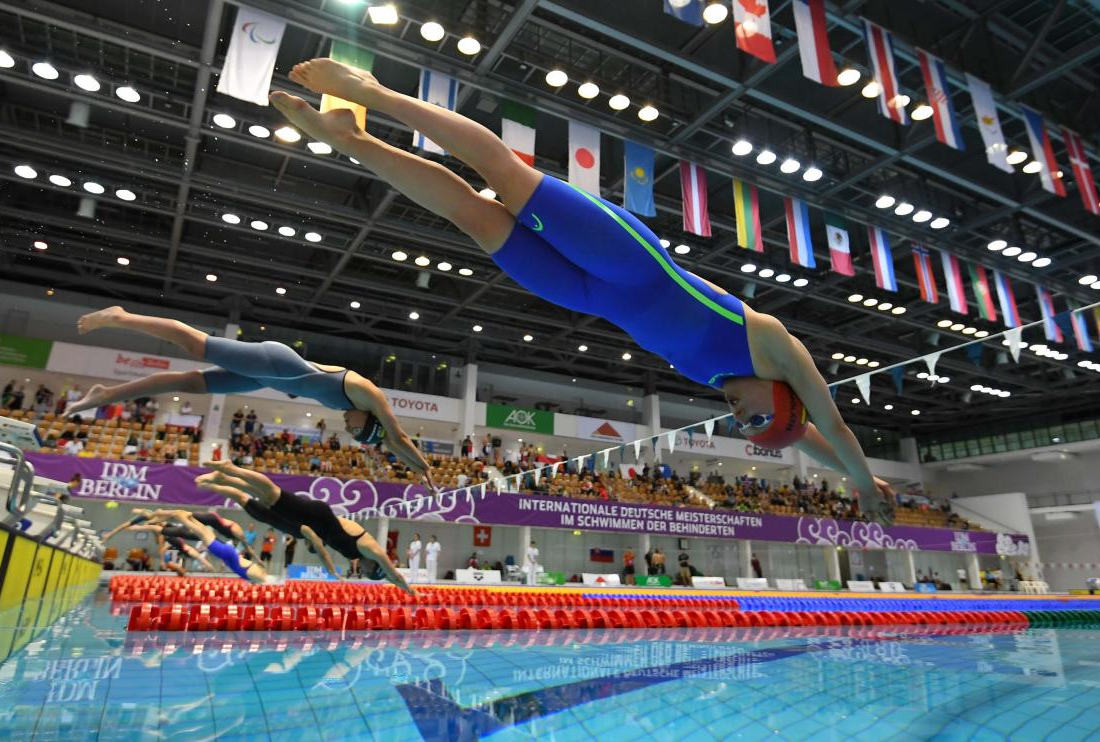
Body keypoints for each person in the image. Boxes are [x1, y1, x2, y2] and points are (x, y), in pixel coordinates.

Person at [269, 58, 897, 523]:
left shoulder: (726, 385)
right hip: (632, 263)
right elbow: (832, 426)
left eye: (747, 426)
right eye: (757, 416)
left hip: (588, 297)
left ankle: (352, 140)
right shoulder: (772, 345)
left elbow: (803, 439)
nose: (743, 417)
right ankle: (373, 93)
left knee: (471, 215)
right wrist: (865, 484)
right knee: (506, 176)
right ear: (786, 399)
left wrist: (827, 464)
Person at [66, 306, 436, 489]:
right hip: (275, 363)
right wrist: (426, 467)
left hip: (267, 379)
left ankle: (107, 394)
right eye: (357, 433)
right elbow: (398, 436)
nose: (348, 431)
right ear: (368, 422)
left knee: (190, 382)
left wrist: (417, 472)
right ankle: (121, 317)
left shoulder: (356, 412)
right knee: (197, 346)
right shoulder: (366, 394)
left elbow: (390, 444)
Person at [194, 460, 415, 594]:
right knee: (272, 493)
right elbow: (393, 573)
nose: (362, 572)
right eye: (368, 572)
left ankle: (224, 477)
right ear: (374, 566)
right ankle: (231, 469)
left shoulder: (356, 555)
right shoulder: (369, 548)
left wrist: (328, 566)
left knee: (266, 497)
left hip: (314, 521)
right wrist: (409, 591)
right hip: (317, 515)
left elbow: (322, 544)